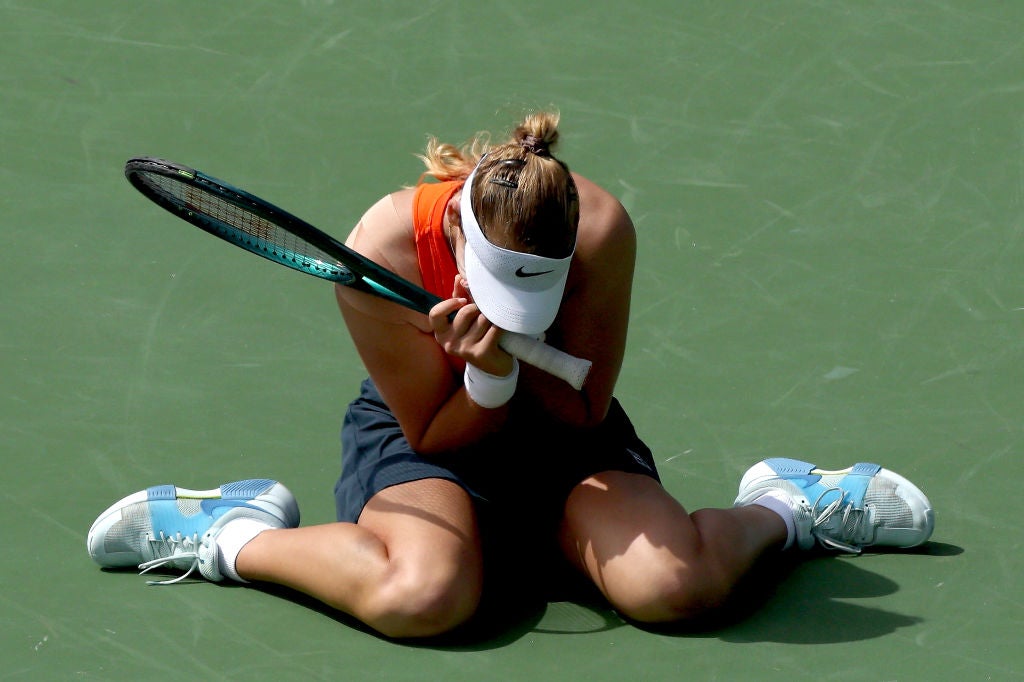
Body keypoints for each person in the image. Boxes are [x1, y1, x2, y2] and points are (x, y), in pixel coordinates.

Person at [87, 111, 935, 638]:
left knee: (674, 589)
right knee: (422, 598)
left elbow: (581, 409)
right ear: (455, 233)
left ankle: (784, 506)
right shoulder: (380, 247)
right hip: (427, 433)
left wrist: (506, 371)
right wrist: (485, 379)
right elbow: (431, 432)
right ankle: (232, 534)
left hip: (565, 431)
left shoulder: (599, 226)